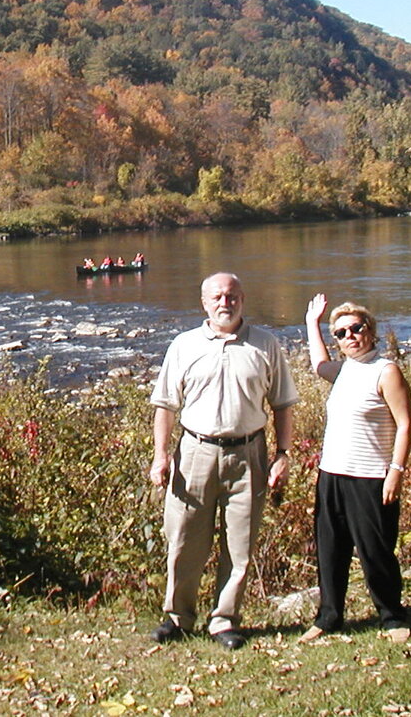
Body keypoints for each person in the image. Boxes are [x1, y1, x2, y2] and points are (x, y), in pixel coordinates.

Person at [148, 272, 297, 649]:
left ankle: (224, 620)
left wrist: (283, 455)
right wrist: (160, 456)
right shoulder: (184, 345)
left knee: (240, 545)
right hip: (195, 452)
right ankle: (179, 617)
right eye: (217, 297)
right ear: (204, 303)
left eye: (231, 296)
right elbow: (165, 405)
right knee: (183, 539)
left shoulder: (266, 344)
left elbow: (282, 404)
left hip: (250, 454)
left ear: (243, 299)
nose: (224, 303)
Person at [300, 293, 411, 644]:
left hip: (371, 477)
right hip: (332, 474)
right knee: (330, 548)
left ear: (370, 331)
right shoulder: (343, 370)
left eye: (355, 329)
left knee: (375, 550)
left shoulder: (385, 370)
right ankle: (329, 617)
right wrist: (312, 323)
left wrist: (395, 470)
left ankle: (391, 615)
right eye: (340, 333)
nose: (349, 336)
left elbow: (406, 424)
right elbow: (319, 364)